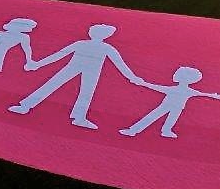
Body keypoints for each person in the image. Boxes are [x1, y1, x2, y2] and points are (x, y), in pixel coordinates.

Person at [8, 24, 142, 130]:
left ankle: (78, 117)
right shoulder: (101, 47)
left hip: (88, 71)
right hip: (78, 69)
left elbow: (59, 55)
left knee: (67, 88)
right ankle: (26, 106)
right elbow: (60, 55)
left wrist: (38, 64)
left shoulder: (95, 46)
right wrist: (132, 77)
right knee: (73, 90)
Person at [119, 66, 220, 139]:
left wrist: (214, 96)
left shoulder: (186, 91)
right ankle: (133, 130)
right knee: (153, 117)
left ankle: (165, 131)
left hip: (177, 107)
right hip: (167, 106)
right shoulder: (180, 90)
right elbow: (156, 87)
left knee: (166, 119)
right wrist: (143, 83)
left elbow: (202, 93)